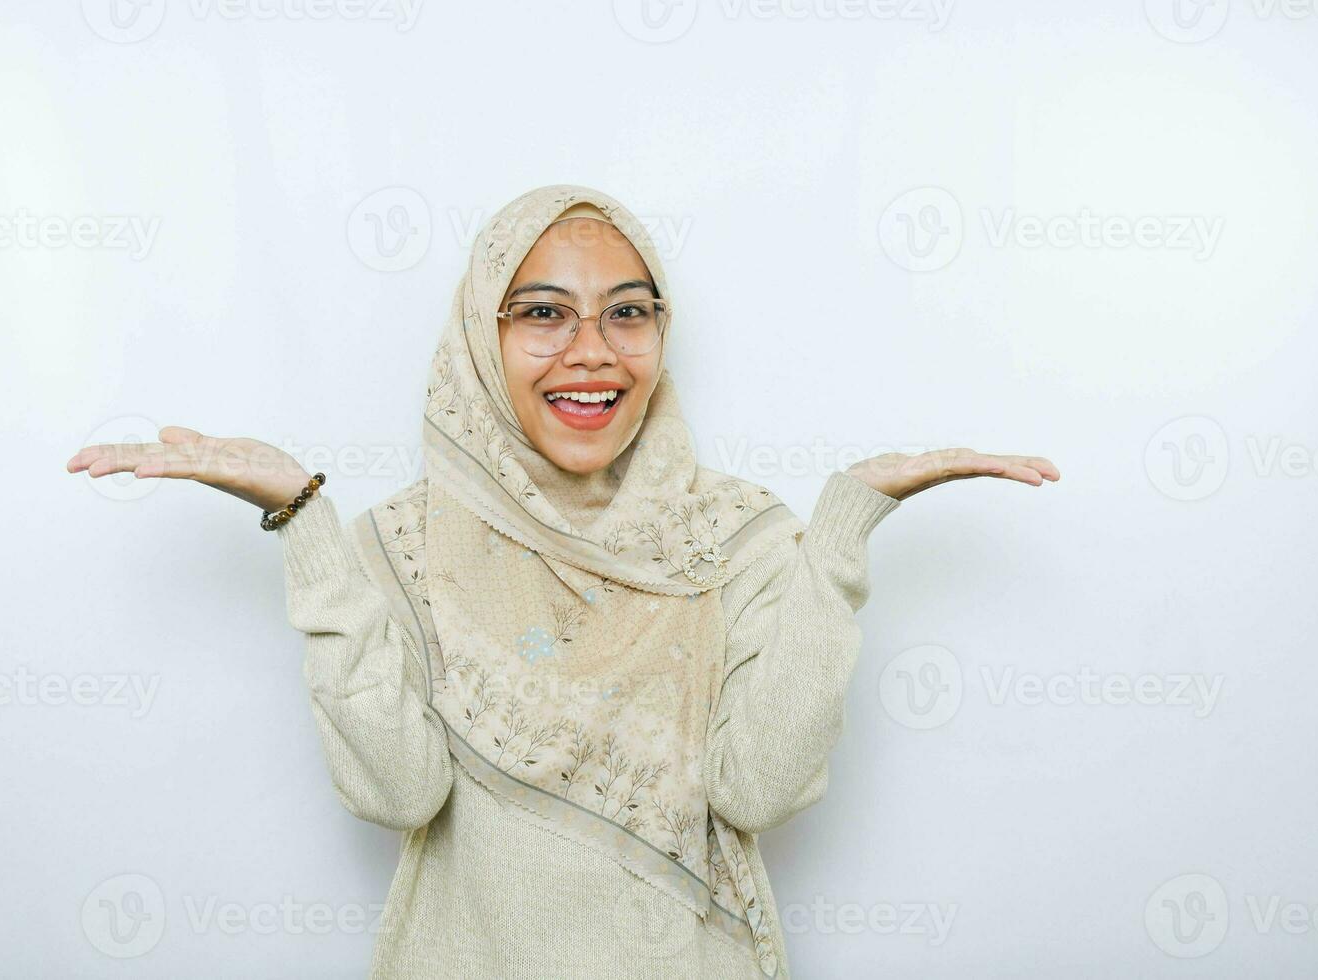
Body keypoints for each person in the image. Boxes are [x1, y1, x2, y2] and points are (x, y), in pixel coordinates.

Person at [67, 184, 1060, 978]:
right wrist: (304, 522)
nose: (590, 350)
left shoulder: (739, 535)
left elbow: (756, 789)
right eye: (542, 312)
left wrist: (842, 526)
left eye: (626, 313)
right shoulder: (402, 543)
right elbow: (397, 790)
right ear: (477, 336)